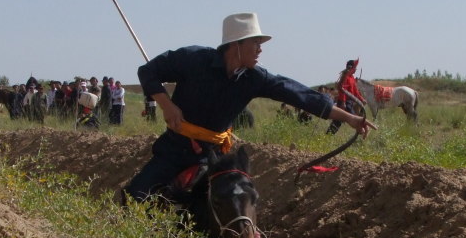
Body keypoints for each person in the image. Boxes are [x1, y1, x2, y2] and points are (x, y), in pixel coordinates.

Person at [124, 12, 374, 203]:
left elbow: (301, 96)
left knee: (236, 206)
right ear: (236, 45)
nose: (260, 49)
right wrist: (166, 105)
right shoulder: (193, 59)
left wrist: (350, 118)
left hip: (216, 157)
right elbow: (148, 72)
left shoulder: (256, 78)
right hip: (174, 150)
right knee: (134, 196)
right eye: (255, 43)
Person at [327, 58, 363, 134]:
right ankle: (361, 133)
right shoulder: (345, 76)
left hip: (349, 102)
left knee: (338, 121)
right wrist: (343, 103)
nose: (356, 69)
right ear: (352, 68)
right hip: (344, 103)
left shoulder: (352, 78)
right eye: (355, 68)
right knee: (354, 118)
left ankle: (328, 135)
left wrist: (361, 99)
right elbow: (342, 90)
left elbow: (355, 91)